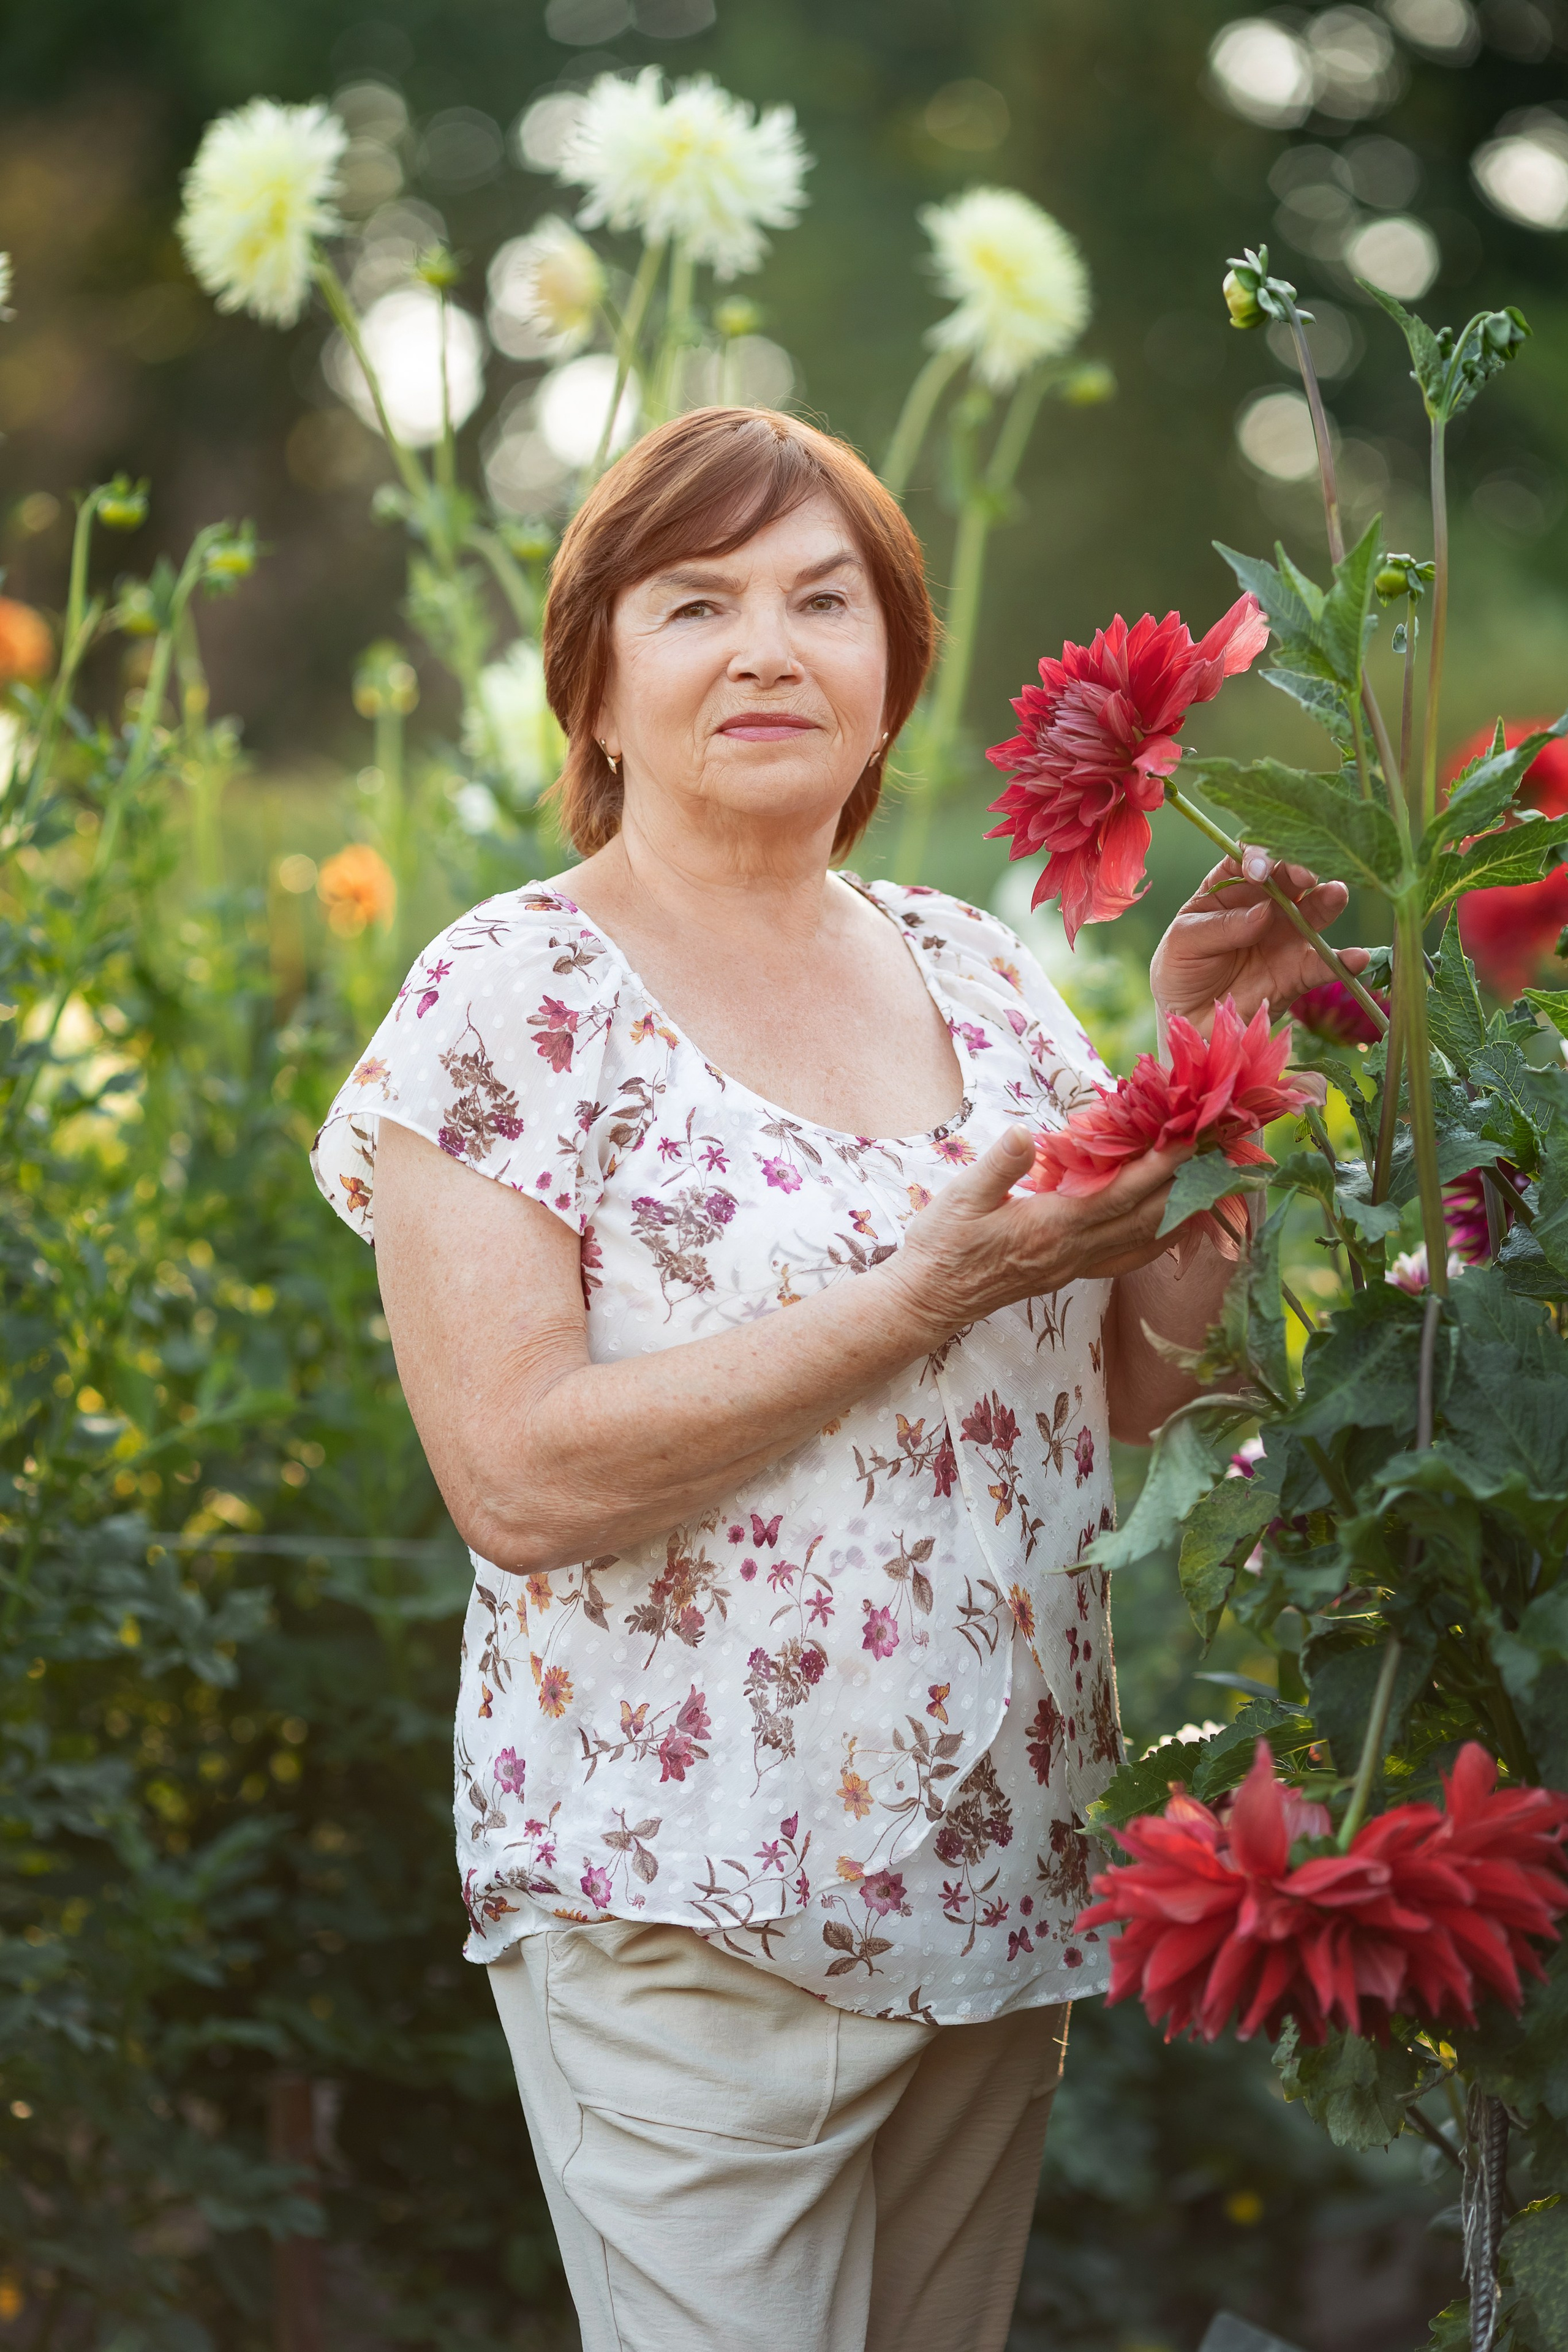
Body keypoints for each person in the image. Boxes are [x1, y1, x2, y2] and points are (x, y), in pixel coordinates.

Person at [312, 407, 1358, 2352]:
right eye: (696, 601)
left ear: (894, 680)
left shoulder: (973, 970)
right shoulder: (511, 996)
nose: (770, 648)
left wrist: (1208, 1077)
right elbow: (520, 1481)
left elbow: (1124, 1392)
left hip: (992, 1888)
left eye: (825, 601)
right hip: (685, 1906)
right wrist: (915, 1297)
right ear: (598, 684)